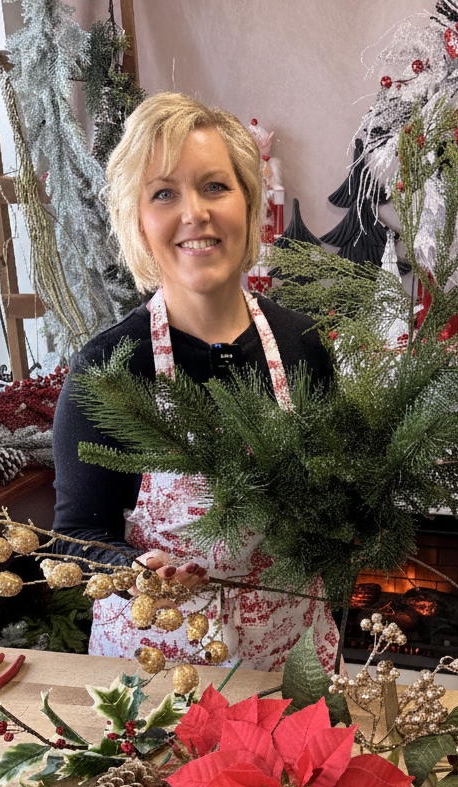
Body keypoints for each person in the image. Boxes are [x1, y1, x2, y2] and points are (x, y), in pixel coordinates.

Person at [51, 93, 339, 671]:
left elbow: (339, 498)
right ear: (138, 221)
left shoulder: (302, 344)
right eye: (164, 193)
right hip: (158, 675)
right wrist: (133, 573)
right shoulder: (108, 369)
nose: (195, 213)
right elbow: (77, 537)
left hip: (292, 668)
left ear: (249, 203)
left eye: (214, 186)